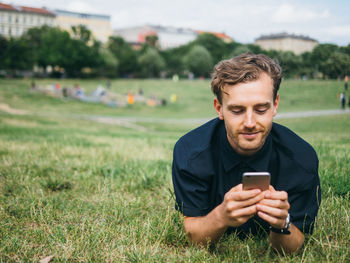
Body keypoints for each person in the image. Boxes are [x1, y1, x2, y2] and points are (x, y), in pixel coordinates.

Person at [172, 53, 321, 254]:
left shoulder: (301, 158)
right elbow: (193, 236)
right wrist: (221, 216)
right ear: (219, 109)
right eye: (237, 110)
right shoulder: (191, 152)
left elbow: (292, 248)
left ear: (275, 105)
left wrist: (282, 222)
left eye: (260, 109)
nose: (250, 123)